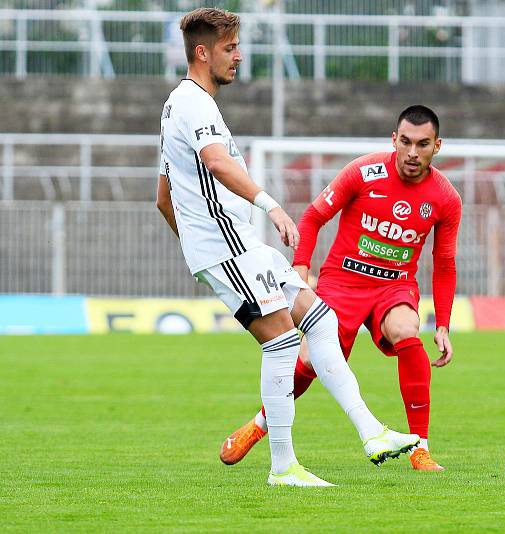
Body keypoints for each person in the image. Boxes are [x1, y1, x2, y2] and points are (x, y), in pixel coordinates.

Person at [156, 8, 419, 487]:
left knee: (319, 318)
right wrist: (265, 207)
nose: (239, 56)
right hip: (228, 242)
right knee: (281, 343)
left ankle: (371, 432)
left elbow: (163, 197)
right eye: (229, 48)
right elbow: (216, 163)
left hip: (229, 243)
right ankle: (283, 467)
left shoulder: (180, 105)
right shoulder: (193, 104)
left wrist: (198, 250)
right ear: (203, 52)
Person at [221, 105, 462, 471]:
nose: (413, 153)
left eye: (423, 144)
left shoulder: (445, 198)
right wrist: (300, 266)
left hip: (395, 286)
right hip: (343, 279)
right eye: (406, 142)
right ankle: (258, 426)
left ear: (437, 146)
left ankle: (420, 449)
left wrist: (442, 323)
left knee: (405, 329)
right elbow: (314, 216)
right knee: (306, 360)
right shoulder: (364, 172)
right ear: (394, 140)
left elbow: (445, 263)